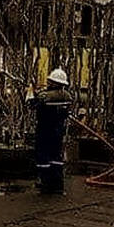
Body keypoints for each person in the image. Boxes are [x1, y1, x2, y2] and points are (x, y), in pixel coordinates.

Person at [30, 67, 73, 195]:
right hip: (58, 130)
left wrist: (31, 93)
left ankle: (45, 185)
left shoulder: (45, 96)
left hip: (45, 130)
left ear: (53, 82)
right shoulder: (67, 96)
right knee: (56, 158)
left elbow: (32, 105)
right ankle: (58, 186)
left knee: (43, 157)